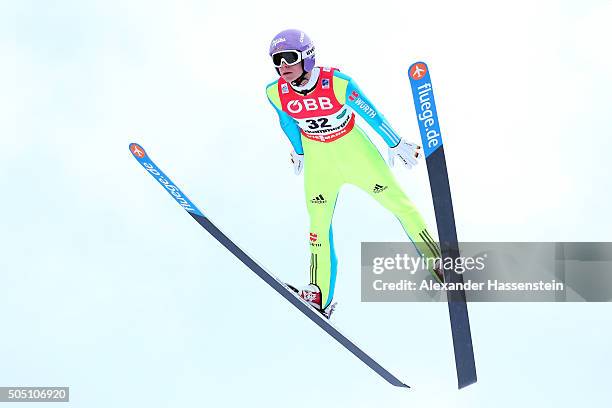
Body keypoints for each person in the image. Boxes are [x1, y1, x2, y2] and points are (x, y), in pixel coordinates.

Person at [265, 29, 441, 318]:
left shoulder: (336, 82)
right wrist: (299, 150)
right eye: (276, 61)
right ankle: (319, 293)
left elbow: (370, 113)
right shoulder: (275, 92)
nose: (283, 67)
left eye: (289, 58)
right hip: (320, 161)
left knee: (400, 205)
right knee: (317, 226)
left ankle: (437, 261)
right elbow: (286, 122)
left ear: (307, 57)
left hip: (354, 152)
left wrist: (395, 142)